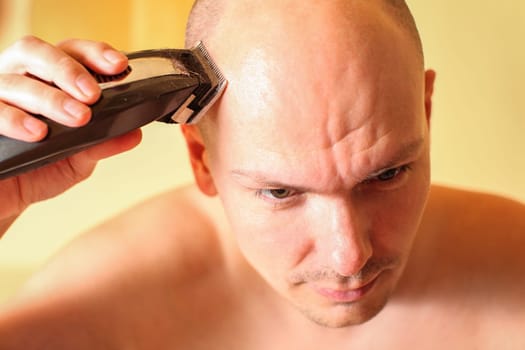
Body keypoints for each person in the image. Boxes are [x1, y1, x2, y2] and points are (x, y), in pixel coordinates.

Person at [0, 0, 524, 348]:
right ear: (202, 160)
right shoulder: (103, 313)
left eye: (386, 174)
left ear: (425, 113)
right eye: (279, 192)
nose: (350, 256)